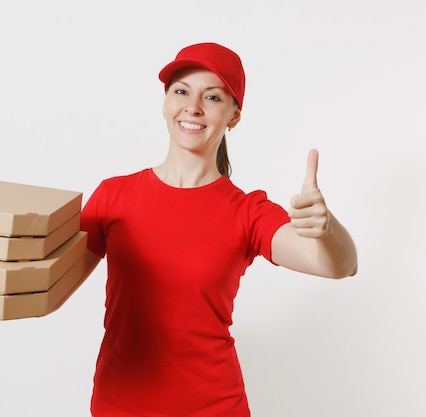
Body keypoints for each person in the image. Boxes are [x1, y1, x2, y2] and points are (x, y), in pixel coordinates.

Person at [79, 42, 358, 417]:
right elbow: (49, 285)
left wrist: (327, 229)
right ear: (165, 104)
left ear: (234, 116)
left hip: (212, 407)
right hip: (120, 404)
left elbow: (339, 266)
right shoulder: (113, 196)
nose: (192, 107)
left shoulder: (248, 212)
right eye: (181, 91)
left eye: (212, 97)